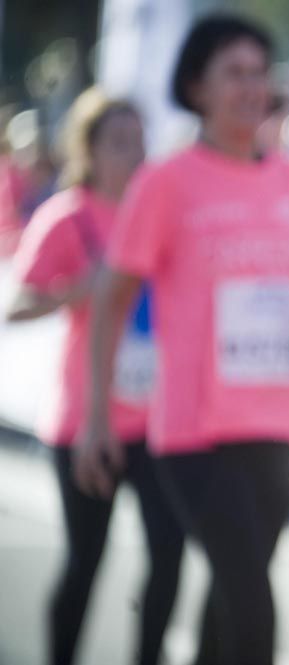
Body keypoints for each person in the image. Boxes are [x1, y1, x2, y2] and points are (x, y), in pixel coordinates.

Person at [75, 14, 289, 665]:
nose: (251, 87)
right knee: (253, 603)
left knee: (230, 601)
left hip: (279, 427)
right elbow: (111, 300)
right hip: (195, 431)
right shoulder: (166, 182)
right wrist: (95, 417)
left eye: (260, 73)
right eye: (234, 73)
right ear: (196, 86)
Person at [5, 88, 183, 665]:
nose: (133, 154)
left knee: (168, 552)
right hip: (86, 419)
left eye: (139, 141)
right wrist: (87, 287)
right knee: (87, 560)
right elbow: (18, 304)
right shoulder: (69, 216)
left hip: (156, 422)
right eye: (118, 143)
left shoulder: (157, 214)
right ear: (90, 150)